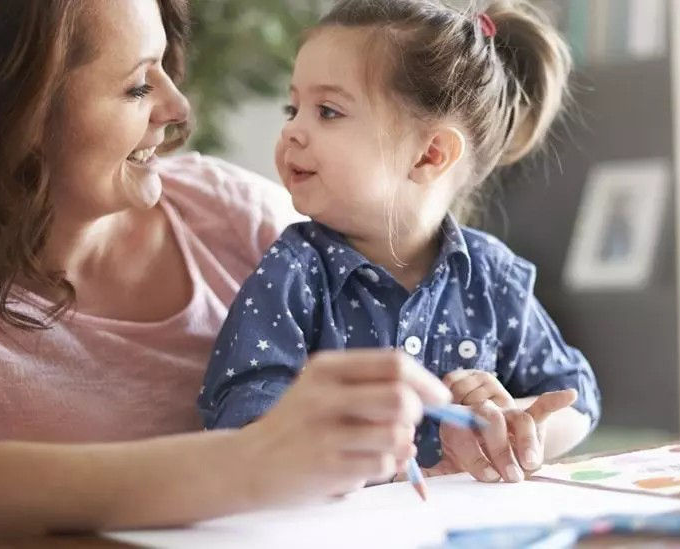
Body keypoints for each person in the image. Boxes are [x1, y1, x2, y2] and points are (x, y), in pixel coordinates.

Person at [0, 1, 459, 547]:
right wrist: (250, 462)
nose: (178, 110)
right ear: (12, 114)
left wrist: (466, 406)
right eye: (137, 86)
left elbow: (404, 335)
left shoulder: (231, 215)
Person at [199, 0, 601, 483]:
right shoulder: (293, 272)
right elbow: (240, 414)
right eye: (294, 107)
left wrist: (513, 425)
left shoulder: (493, 277)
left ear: (430, 155)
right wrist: (336, 442)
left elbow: (576, 395)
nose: (291, 130)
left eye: (327, 111)